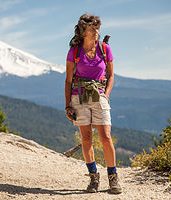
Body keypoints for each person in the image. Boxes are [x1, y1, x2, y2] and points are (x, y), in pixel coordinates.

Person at [64, 14, 122, 194]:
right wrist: (67, 105)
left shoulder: (105, 49)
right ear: (83, 32)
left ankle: (113, 178)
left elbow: (111, 75)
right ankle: (93, 178)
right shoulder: (74, 52)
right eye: (92, 29)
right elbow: (68, 80)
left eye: (97, 28)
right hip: (79, 97)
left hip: (100, 97)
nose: (96, 32)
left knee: (105, 136)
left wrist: (106, 95)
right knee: (86, 138)